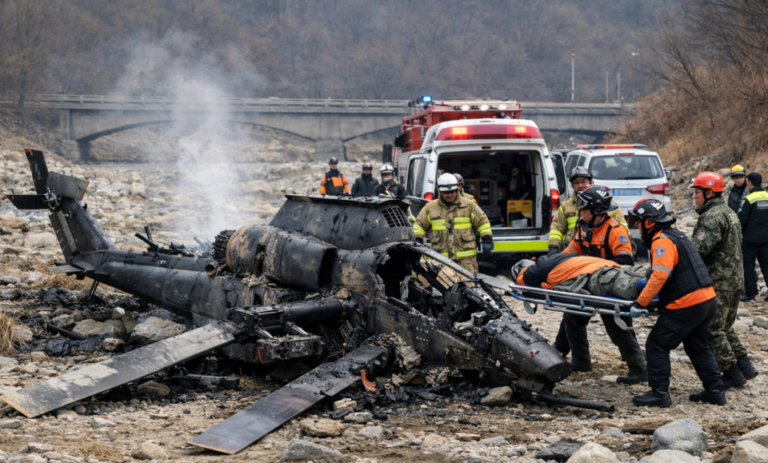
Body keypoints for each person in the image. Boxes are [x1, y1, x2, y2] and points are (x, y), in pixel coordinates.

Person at [628, 199, 725, 407]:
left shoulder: (661, 240)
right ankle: (715, 390)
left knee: (657, 344)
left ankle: (659, 394)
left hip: (687, 303)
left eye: (639, 222)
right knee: (697, 345)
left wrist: (640, 304)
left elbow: (660, 276)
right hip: (707, 299)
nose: (637, 226)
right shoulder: (677, 235)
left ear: (649, 222)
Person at [550, 186, 645, 382]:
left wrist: (595, 268)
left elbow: (626, 262)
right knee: (572, 316)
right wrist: (551, 264)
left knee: (617, 328)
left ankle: (639, 369)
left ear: (597, 210)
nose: (580, 212)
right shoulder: (583, 229)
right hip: (589, 285)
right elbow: (568, 254)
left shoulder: (615, 231)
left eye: (583, 208)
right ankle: (581, 363)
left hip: (611, 287)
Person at [690, 172, 757, 389]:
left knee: (712, 329)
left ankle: (731, 374)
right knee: (725, 327)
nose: (695, 197)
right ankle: (745, 367)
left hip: (719, 282)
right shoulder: (727, 211)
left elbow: (698, 251)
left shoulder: (711, 217)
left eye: (697, 192)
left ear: (709, 193)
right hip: (735, 280)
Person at [413, 174, 492, 274]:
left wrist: (487, 240)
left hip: (466, 263)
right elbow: (419, 224)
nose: (450, 195)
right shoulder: (430, 208)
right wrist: (417, 240)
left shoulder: (469, 205)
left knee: (468, 288)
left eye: (452, 192)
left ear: (457, 190)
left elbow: (483, 222)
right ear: (440, 191)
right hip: (440, 263)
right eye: (446, 192)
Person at [549, 167, 627, 256]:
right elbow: (557, 228)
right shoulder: (566, 206)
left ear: (591, 182)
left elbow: (622, 226)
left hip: (601, 252)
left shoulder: (606, 204)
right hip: (573, 251)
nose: (580, 185)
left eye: (583, 181)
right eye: (576, 183)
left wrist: (624, 242)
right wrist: (553, 247)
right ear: (572, 185)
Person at [511, 254, 646, 301]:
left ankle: (648, 284)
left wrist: (521, 274)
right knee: (641, 272)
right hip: (607, 265)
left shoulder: (541, 263)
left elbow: (525, 280)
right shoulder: (560, 257)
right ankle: (656, 279)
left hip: (591, 276)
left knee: (629, 287)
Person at [737, 172, 768, 302]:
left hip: (750, 239)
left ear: (749, 182)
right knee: (766, 265)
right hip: (766, 238)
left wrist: (739, 235)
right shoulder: (767, 196)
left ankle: (750, 293)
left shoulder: (748, 198)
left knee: (749, 266)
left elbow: (741, 219)